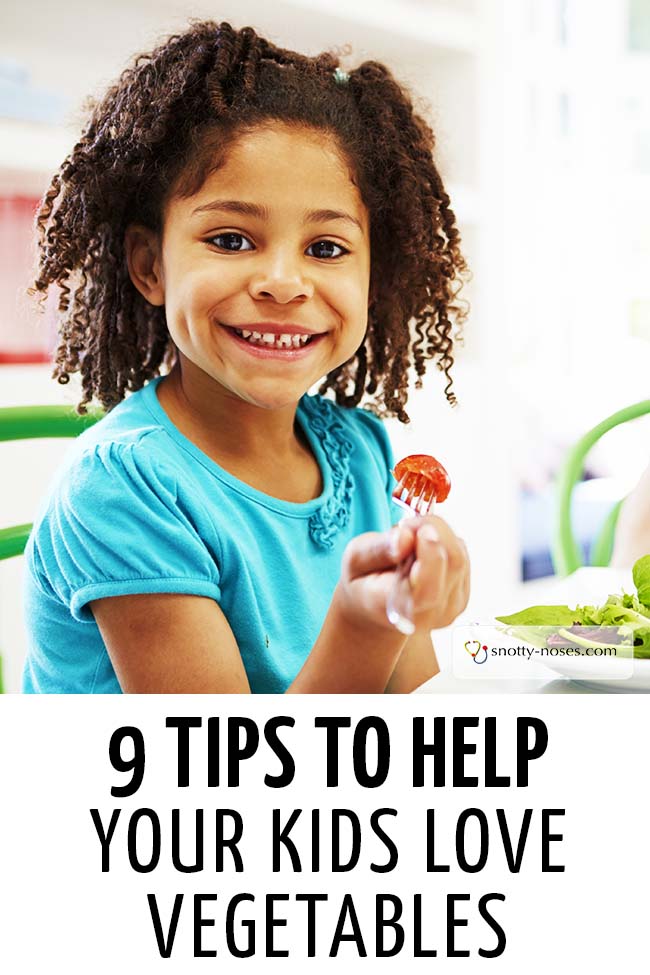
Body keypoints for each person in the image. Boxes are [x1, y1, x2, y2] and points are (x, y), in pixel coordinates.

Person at [22, 20, 471, 694]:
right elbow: (227, 778)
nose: (284, 282)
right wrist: (368, 620)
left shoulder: (360, 449)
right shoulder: (122, 489)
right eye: (232, 239)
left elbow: (410, 703)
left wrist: (411, 607)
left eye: (326, 248)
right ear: (150, 266)